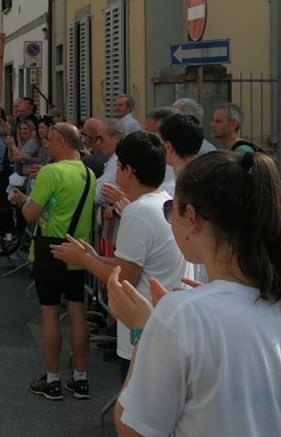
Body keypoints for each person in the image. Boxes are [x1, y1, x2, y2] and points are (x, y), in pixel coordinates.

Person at [108, 151, 281, 437]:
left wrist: (143, 330)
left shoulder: (181, 316)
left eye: (171, 210)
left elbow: (132, 429)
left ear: (191, 216)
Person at [51, 131, 191, 379]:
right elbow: (135, 264)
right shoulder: (164, 202)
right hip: (163, 324)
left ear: (129, 170)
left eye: (117, 165)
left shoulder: (138, 211)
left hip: (144, 332)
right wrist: (93, 256)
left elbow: (124, 278)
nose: (115, 172)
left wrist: (83, 259)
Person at [10, 123, 95, 401]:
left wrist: (22, 201)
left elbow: (30, 215)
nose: (44, 144)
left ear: (61, 142)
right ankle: (80, 378)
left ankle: (53, 379)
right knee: (77, 311)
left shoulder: (51, 172)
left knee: (49, 313)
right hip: (78, 249)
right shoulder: (88, 173)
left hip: (50, 248)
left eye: (49, 140)